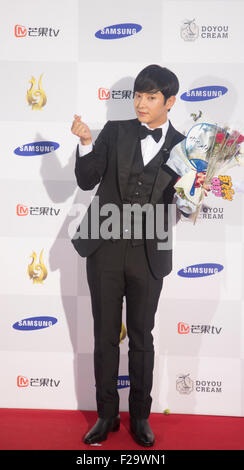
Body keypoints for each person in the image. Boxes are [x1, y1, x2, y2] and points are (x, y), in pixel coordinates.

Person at [71, 65, 197, 447]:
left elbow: (187, 206)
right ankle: (106, 415)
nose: (141, 104)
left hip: (148, 253)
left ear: (170, 102)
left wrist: (198, 191)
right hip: (104, 248)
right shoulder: (117, 131)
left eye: (151, 97)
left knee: (143, 338)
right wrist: (87, 142)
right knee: (104, 335)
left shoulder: (186, 148)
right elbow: (86, 179)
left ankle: (140, 417)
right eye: (138, 96)